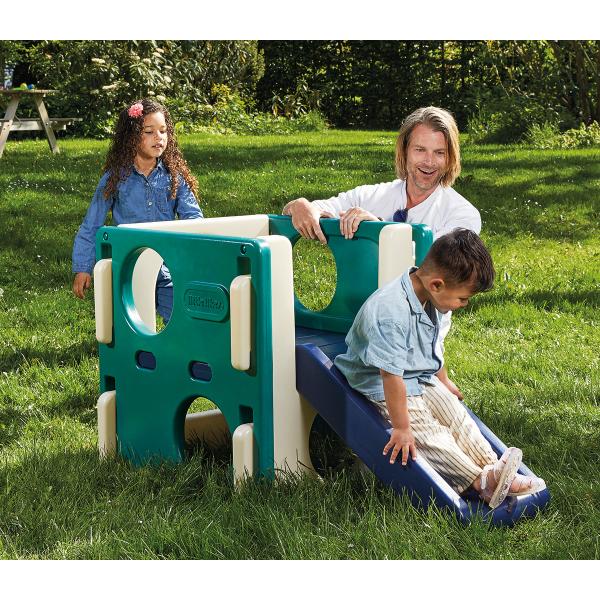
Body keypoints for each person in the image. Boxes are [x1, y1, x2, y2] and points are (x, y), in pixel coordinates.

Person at [334, 229, 546, 508]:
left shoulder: (431, 298)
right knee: (428, 432)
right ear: (437, 285)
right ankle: (478, 482)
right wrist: (401, 427)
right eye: (463, 299)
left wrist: (442, 380)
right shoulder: (390, 313)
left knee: (456, 416)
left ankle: (493, 469)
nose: (464, 305)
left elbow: (431, 345)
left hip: (419, 375)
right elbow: (390, 375)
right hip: (380, 381)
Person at [282, 106, 479, 399]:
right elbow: (320, 207)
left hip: (414, 339)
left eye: (439, 153)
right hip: (354, 321)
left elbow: (434, 273)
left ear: (450, 158)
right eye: (420, 150)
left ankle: (438, 376)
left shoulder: (462, 215)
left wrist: (382, 230)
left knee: (425, 408)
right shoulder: (374, 194)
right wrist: (299, 205)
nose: (429, 162)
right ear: (404, 151)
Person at [72, 98, 202, 323]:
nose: (158, 137)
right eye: (149, 131)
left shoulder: (174, 177)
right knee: (133, 328)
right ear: (131, 137)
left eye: (163, 131)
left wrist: (194, 255)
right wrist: (83, 268)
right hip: (129, 270)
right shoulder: (115, 179)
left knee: (182, 321)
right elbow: (91, 225)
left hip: (167, 267)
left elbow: (194, 219)